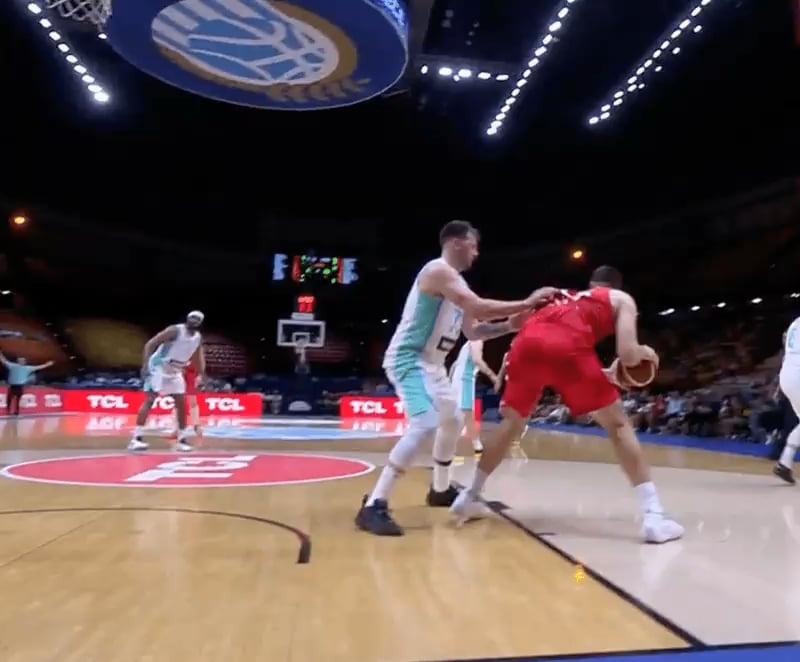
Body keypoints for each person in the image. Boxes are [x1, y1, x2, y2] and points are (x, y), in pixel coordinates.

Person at [451, 266, 684, 544]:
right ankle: (654, 515)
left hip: (524, 347)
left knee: (511, 423)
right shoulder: (621, 299)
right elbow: (628, 355)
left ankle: (470, 494)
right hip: (567, 347)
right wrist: (647, 352)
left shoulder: (559, 297)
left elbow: (517, 331)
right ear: (615, 287)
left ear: (592, 285)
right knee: (619, 425)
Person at [355, 220, 559, 536]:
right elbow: (478, 307)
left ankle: (440, 489)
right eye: (473, 246)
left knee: (451, 421)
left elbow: (473, 331)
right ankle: (373, 505)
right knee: (425, 423)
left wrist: (510, 326)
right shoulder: (438, 271)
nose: (476, 254)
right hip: (409, 359)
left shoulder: (458, 284)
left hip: (434, 366)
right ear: (456, 242)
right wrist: (527, 302)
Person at [128, 311, 205, 452]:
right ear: (187, 318)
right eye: (192, 317)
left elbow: (198, 357)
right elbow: (150, 344)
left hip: (175, 370)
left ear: (200, 323)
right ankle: (136, 439)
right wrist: (145, 365)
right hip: (158, 366)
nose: (194, 320)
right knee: (150, 399)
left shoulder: (197, 338)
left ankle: (181, 440)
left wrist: (201, 374)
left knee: (181, 403)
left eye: (197, 319)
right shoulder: (175, 330)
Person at [449, 340, 498, 457]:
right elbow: (477, 360)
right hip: (464, 380)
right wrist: (492, 376)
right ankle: (450, 449)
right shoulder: (477, 340)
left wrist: (451, 380)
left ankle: (477, 445)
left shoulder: (469, 343)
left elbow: (455, 364)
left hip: (462, 380)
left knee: (468, 414)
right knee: (464, 413)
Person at [775, 326, 800, 484]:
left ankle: (784, 463)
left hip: (788, 372)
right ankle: (784, 463)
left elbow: (785, 338)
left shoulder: (795, 322)